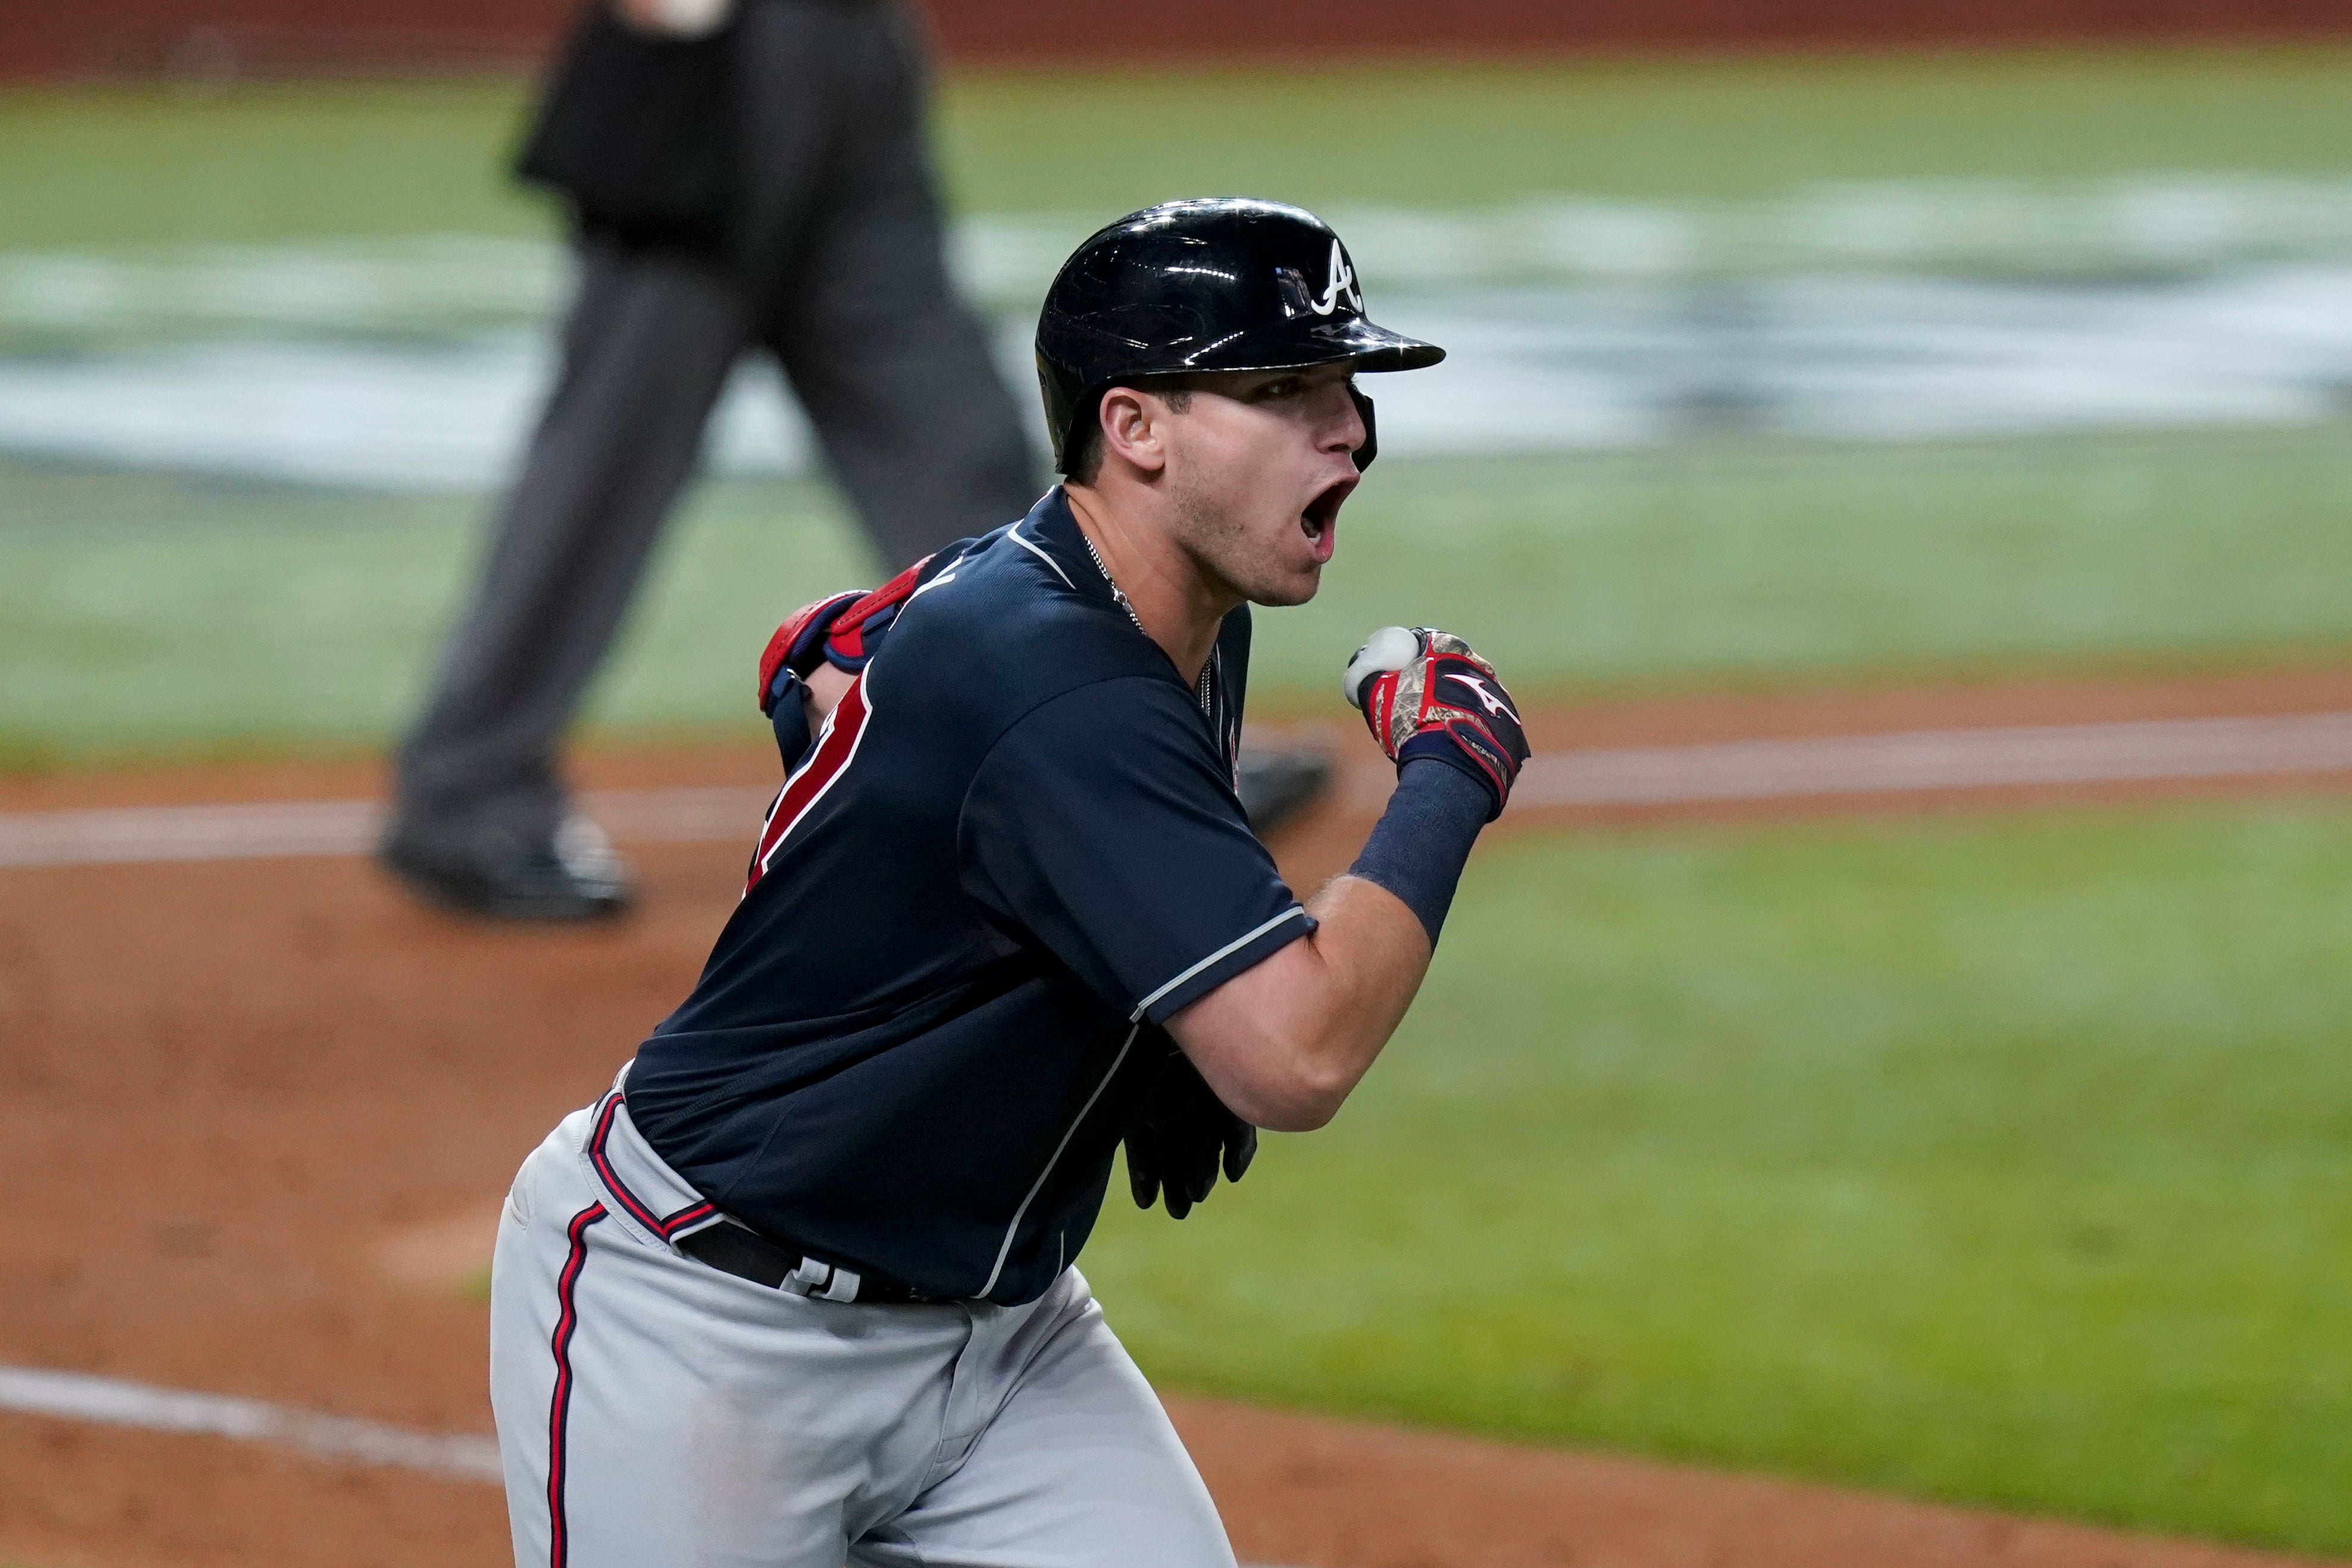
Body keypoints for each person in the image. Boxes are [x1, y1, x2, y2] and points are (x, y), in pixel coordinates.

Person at [485, 199, 1530, 1567]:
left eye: (1346, 386)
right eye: (1280, 389)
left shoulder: (1133, 596)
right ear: (1134, 428)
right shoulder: (1064, 679)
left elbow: (819, 650)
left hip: (1004, 1345)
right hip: (705, 1330)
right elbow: (1296, 1056)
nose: (1347, 429)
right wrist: (1451, 774)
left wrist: (1136, 1028)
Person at [379, 0, 1331, 922]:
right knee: (606, 460)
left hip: (859, 53)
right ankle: (467, 795)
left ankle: (1131, 755)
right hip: (711, 60)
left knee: (959, 444)